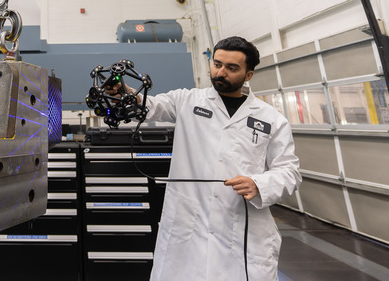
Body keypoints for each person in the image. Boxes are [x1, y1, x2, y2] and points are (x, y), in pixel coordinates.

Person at [118, 36, 301, 280]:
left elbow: (289, 171)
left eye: (231, 68)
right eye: (217, 64)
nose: (220, 72)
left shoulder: (270, 118)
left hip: (242, 224)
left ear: (248, 75)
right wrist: (124, 92)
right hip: (188, 224)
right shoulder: (188, 100)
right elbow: (148, 105)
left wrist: (259, 183)